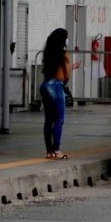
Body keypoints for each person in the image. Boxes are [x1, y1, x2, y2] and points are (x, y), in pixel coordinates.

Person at [40, 28, 79, 160]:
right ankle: (57, 150)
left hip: (45, 86)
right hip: (56, 87)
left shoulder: (49, 52)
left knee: (48, 121)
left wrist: (72, 66)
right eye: (66, 37)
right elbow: (65, 75)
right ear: (63, 40)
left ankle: (49, 151)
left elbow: (57, 70)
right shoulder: (63, 54)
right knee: (59, 119)